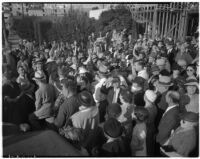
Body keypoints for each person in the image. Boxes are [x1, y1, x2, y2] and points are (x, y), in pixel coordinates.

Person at [144, 90, 157, 156]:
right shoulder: (154, 106)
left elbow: (144, 121)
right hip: (152, 128)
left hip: (147, 130)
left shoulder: (146, 109)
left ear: (146, 97)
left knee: (147, 148)